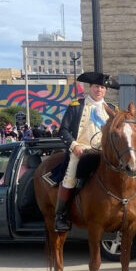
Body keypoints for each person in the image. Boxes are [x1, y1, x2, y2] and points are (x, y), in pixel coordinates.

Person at [55, 72, 120, 232]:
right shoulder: (76, 105)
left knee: (130, 172)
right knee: (70, 177)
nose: (99, 90)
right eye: (97, 86)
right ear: (90, 88)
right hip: (82, 150)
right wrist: (74, 145)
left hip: (105, 152)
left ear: (105, 90)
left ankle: (134, 212)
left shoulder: (113, 109)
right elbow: (63, 131)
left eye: (103, 87)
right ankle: (61, 215)